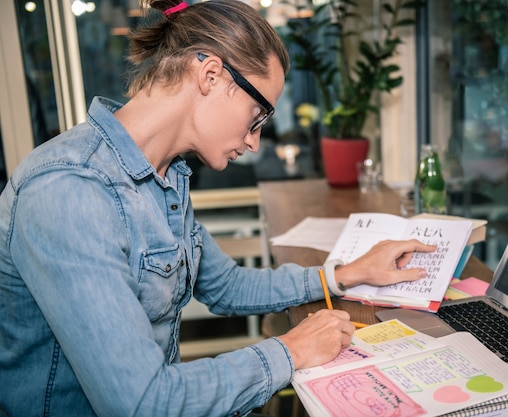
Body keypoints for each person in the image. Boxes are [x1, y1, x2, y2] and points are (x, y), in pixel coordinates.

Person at [0, 1, 436, 416]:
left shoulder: (163, 175)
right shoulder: (69, 190)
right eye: (257, 115)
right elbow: (142, 404)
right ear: (210, 75)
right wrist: (291, 350)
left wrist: (344, 274)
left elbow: (225, 286)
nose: (253, 141)